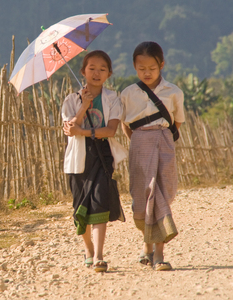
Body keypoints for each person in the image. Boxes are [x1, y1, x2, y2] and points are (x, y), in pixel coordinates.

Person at [121, 41, 185, 271]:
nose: (146, 73)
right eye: (141, 68)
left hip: (164, 143)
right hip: (139, 145)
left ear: (162, 65)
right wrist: (140, 141)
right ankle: (149, 247)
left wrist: (160, 138)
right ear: (134, 67)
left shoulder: (174, 92)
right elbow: (125, 125)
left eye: (152, 68)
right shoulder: (128, 93)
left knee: (162, 192)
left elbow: (177, 122)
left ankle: (158, 252)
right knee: (143, 194)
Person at [62, 50, 127, 272]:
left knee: (100, 201)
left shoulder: (113, 99)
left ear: (109, 73)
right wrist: (83, 107)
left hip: (102, 155)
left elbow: (110, 131)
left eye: (102, 69)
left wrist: (84, 131)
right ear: (83, 72)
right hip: (79, 159)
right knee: (81, 206)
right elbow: (70, 130)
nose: (96, 73)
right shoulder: (71, 100)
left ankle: (99, 256)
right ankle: (88, 248)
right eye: (92, 68)